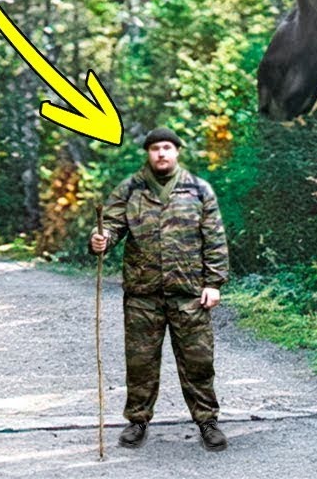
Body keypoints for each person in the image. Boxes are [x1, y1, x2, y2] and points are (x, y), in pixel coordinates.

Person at [89, 126, 230, 452]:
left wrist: (214, 283)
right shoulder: (130, 189)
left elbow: (215, 240)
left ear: (177, 151)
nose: (161, 153)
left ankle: (207, 422)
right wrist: (101, 240)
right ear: (148, 154)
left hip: (190, 294)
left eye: (167, 147)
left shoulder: (198, 190)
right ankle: (137, 421)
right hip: (143, 295)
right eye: (155, 148)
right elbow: (110, 227)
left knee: (198, 362)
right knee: (140, 363)